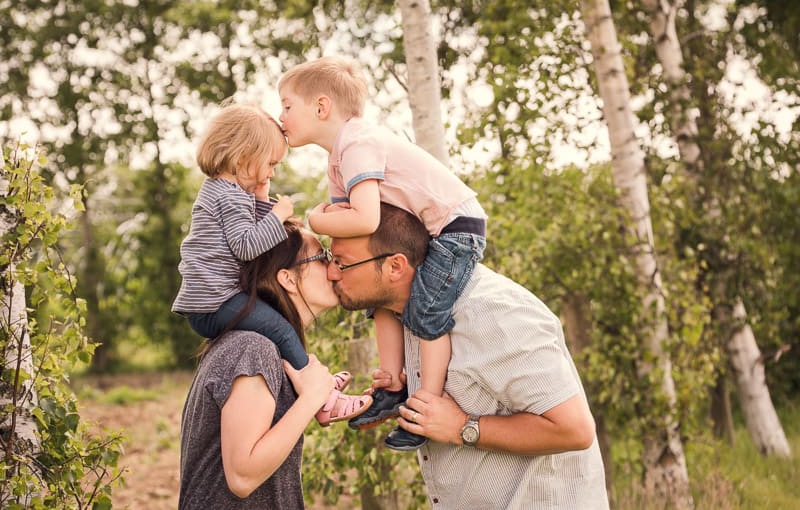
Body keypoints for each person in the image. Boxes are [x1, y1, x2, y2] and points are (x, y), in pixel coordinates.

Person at [327, 203, 610, 509]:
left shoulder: (495, 312)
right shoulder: (411, 316)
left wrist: (462, 426)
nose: (331, 272)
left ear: (395, 266)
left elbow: (574, 430)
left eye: (342, 263)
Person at [279, 56, 487, 450]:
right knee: (380, 300)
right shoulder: (338, 157)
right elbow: (353, 227)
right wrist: (328, 224)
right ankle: (392, 385)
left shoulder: (358, 143)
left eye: (287, 106)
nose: (281, 116)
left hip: (457, 227)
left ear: (321, 106)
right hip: (422, 228)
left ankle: (427, 405)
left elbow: (364, 218)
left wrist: (315, 220)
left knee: (426, 310)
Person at [172, 103, 370, 426]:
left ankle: (304, 376)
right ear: (243, 158)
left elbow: (254, 238)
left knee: (274, 331)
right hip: (214, 303)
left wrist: (263, 200)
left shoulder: (222, 192)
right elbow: (248, 246)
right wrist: (277, 214)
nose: (272, 172)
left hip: (208, 302)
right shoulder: (230, 196)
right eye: (271, 163)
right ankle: (322, 398)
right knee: (279, 327)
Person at [180, 219, 350, 509]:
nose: (334, 269)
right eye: (322, 257)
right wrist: (312, 399)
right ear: (288, 279)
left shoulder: (259, 346)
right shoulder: (253, 348)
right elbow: (242, 477)